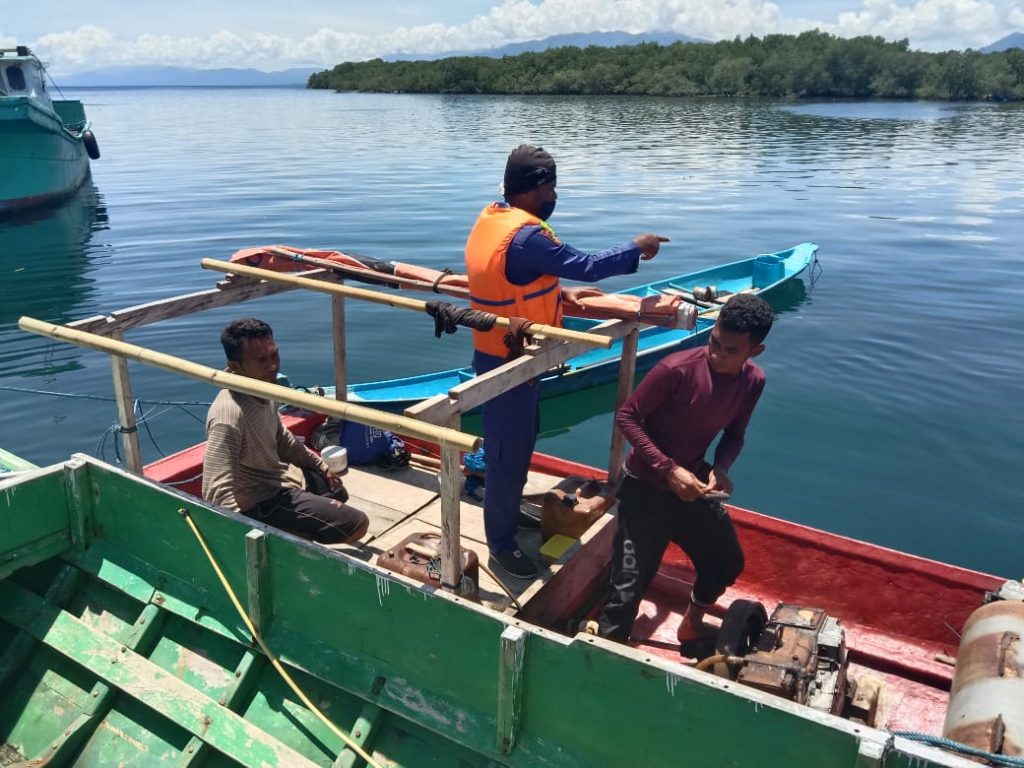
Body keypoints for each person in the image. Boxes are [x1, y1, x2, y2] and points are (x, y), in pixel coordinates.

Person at [465, 144, 668, 579]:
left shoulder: (494, 220)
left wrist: (560, 296)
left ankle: (506, 517)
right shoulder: (528, 236)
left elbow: (513, 283)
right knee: (505, 452)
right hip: (509, 363)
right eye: (552, 187)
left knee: (519, 443)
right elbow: (588, 265)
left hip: (505, 354)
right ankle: (501, 544)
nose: (555, 196)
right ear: (537, 187)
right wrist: (637, 247)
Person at [596, 294, 775, 648]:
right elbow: (627, 417)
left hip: (693, 488)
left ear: (755, 352)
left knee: (726, 562)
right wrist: (668, 469)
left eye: (730, 351)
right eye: (714, 342)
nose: (717, 354)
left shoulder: (753, 381)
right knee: (625, 595)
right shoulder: (675, 369)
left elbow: (734, 434)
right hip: (645, 490)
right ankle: (604, 655)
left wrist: (721, 468)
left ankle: (692, 623)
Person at [202, 317, 369, 545]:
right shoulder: (228, 416)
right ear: (236, 367)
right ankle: (282, 539)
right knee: (356, 525)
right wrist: (242, 534)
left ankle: (293, 524)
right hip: (259, 502)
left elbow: (282, 438)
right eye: (261, 360)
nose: (272, 366)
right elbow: (215, 492)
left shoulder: (264, 385)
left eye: (274, 355)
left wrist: (320, 465)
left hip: (280, 480)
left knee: (338, 493)